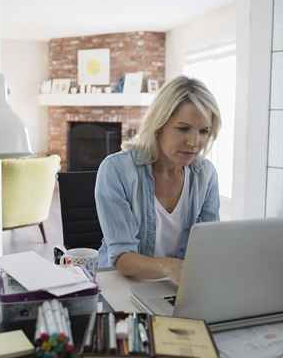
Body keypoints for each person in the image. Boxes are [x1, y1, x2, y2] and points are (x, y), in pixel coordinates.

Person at [95, 76, 222, 285]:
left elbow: (209, 244)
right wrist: (170, 267)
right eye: (183, 128)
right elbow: (121, 257)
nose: (194, 142)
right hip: (121, 284)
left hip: (175, 287)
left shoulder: (205, 174)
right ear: (159, 125)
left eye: (203, 131)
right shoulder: (116, 170)